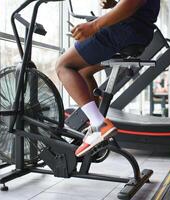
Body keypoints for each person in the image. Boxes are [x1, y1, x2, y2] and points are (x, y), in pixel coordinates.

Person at [56, 0, 160, 157]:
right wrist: (115, 4)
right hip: (138, 32)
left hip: (124, 30)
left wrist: (94, 26)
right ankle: (94, 124)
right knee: (83, 72)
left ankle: (100, 125)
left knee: (63, 65)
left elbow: (132, 2)